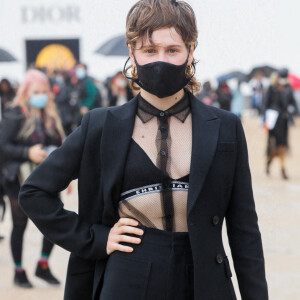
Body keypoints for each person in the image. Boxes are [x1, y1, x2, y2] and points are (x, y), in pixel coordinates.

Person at [19, 1, 268, 299]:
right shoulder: (100, 126)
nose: (160, 60)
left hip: (204, 280)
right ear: (132, 52)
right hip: (126, 277)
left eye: (172, 50)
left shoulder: (225, 127)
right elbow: (34, 192)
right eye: (150, 50)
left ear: (190, 51)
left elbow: (245, 232)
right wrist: (95, 238)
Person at [0, 69, 65, 288]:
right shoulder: (15, 113)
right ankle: (19, 271)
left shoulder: (49, 114)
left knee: (55, 221)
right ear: (26, 92)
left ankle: (43, 265)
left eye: (44, 91)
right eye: (36, 91)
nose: (41, 95)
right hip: (17, 178)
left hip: (46, 177)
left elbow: (60, 145)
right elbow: (3, 146)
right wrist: (27, 153)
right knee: (20, 225)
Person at [264, 70, 299, 179]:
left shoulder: (288, 88)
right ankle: (281, 167)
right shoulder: (272, 88)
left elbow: (293, 103)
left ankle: (272, 162)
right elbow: (265, 104)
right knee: (278, 144)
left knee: (282, 144)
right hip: (274, 121)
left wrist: (294, 112)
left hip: (283, 120)